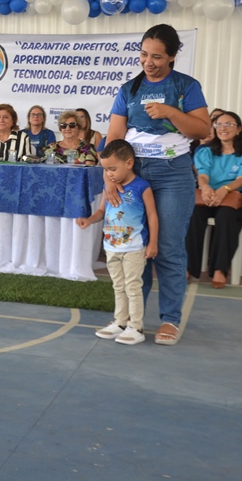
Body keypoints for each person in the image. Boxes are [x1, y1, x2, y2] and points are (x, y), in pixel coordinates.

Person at [106, 24, 211, 346]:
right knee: (134, 247)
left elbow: (202, 130)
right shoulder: (129, 89)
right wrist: (108, 177)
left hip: (173, 174)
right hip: (133, 173)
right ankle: (131, 320)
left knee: (167, 248)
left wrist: (170, 112)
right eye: (143, 55)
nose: (148, 62)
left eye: (156, 57)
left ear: (172, 56)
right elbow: (114, 137)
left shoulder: (186, 86)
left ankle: (170, 319)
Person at [76, 140, 158, 345]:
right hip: (112, 247)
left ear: (129, 163)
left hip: (134, 248)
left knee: (133, 287)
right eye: (106, 170)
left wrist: (153, 243)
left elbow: (152, 215)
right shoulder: (109, 188)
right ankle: (120, 322)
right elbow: (102, 211)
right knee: (118, 286)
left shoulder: (142, 187)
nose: (109, 174)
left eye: (112, 169)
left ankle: (136, 326)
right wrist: (89, 220)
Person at [185, 111, 242, 288]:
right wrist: (205, 187)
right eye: (219, 125)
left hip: (234, 199)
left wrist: (224, 190)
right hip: (208, 197)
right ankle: (187, 267)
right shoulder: (206, 151)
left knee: (225, 216)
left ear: (238, 129)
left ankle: (220, 269)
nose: (223, 128)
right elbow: (203, 175)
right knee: (193, 214)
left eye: (229, 124)